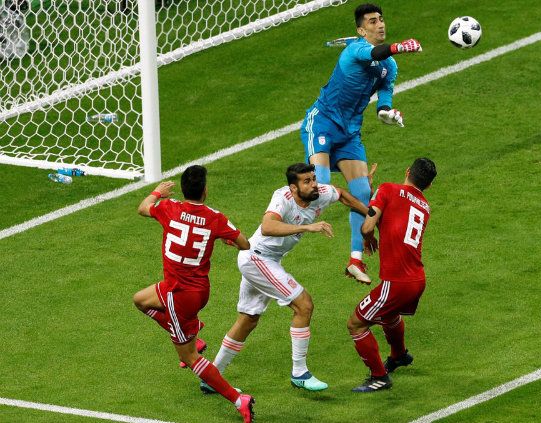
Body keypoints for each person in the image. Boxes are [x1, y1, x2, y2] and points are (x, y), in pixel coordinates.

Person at [203, 163, 369, 393]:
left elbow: (342, 194)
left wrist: (370, 214)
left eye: (313, 179)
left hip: (265, 259)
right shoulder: (282, 198)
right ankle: (299, 373)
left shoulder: (319, 193)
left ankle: (212, 376)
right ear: (293, 187)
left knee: (248, 319)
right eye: (307, 181)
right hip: (257, 258)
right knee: (304, 305)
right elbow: (268, 226)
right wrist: (308, 227)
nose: (314, 185)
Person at [300, 3, 422, 284]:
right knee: (318, 188)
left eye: (381, 19)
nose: (379, 25)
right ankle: (285, 217)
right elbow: (376, 52)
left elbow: (384, 98)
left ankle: (355, 260)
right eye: (372, 21)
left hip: (350, 134)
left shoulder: (389, 66)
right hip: (323, 123)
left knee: (363, 192)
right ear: (360, 29)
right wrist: (399, 47)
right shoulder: (355, 50)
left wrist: (388, 113)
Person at [132, 165, 255, 422]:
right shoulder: (215, 218)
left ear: (183, 189)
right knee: (141, 300)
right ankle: (193, 333)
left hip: (180, 295)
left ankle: (237, 399)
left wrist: (158, 192)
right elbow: (245, 243)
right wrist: (226, 238)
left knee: (188, 357)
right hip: (194, 289)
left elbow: (143, 207)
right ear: (205, 190)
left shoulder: (168, 207)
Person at [347, 158, 437, 392]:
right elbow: (397, 220)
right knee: (389, 315)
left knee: (356, 324)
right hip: (416, 279)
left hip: (397, 282)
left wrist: (368, 237)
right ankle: (399, 356)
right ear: (428, 186)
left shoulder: (388, 189)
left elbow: (367, 227)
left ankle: (379, 377)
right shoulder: (425, 207)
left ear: (407, 171)